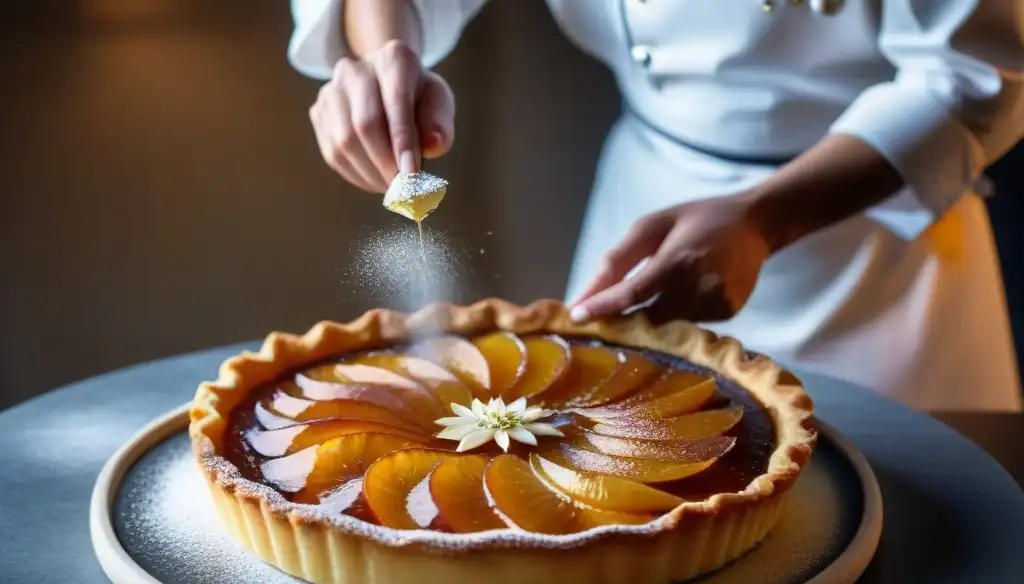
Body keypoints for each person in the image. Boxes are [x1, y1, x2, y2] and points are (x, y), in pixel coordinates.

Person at [288, 0, 1024, 412]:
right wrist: (386, 54)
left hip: (876, 258)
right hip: (643, 193)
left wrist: (765, 221)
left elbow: (975, 76)